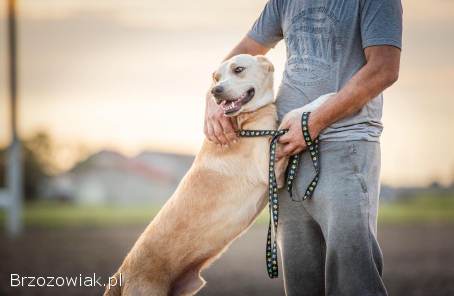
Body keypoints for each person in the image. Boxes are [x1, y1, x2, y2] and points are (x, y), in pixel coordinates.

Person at [204, 1, 402, 295]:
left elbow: (384, 69)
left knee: (353, 282)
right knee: (300, 283)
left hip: (345, 146)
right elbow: (247, 47)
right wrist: (212, 99)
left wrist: (313, 123)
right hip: (287, 150)